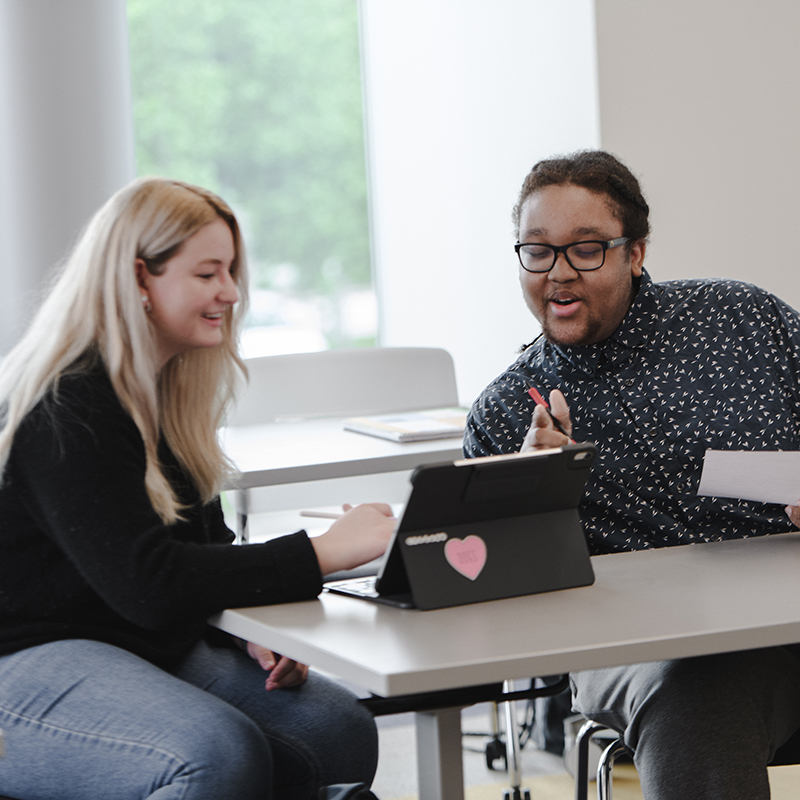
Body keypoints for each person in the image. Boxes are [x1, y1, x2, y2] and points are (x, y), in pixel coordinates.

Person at [0, 177, 394, 800]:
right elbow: (149, 583)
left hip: (134, 642)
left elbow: (207, 550)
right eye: (209, 273)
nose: (232, 293)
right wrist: (320, 552)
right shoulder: (67, 405)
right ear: (139, 279)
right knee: (212, 756)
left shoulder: (168, 397)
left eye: (232, 271)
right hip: (24, 659)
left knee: (336, 730)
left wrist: (246, 628)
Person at [464, 150, 800, 799]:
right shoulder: (507, 414)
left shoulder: (742, 320)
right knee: (699, 697)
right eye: (537, 251)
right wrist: (532, 495)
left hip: (785, 613)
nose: (558, 274)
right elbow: (492, 598)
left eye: (586, 250)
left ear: (635, 252)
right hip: (653, 653)